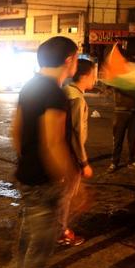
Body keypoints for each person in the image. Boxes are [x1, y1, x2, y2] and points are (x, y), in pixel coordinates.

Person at [0, 36, 77, 268]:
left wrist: (27, 162)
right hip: (44, 182)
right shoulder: (55, 93)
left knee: (27, 240)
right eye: (76, 57)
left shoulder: (31, 86)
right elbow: (53, 143)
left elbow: (16, 130)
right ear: (68, 60)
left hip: (26, 177)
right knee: (40, 249)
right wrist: (72, 179)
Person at [59, 58, 96, 246]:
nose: (95, 78)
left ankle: (59, 228)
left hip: (61, 153)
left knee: (62, 195)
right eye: (94, 74)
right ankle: (61, 231)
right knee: (65, 196)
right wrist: (83, 162)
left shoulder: (66, 92)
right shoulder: (77, 99)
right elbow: (76, 133)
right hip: (70, 156)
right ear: (84, 75)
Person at [108, 86, 135, 172]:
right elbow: (109, 87)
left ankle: (131, 160)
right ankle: (114, 162)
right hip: (120, 112)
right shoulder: (120, 79)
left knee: (133, 140)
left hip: (134, 113)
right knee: (118, 139)